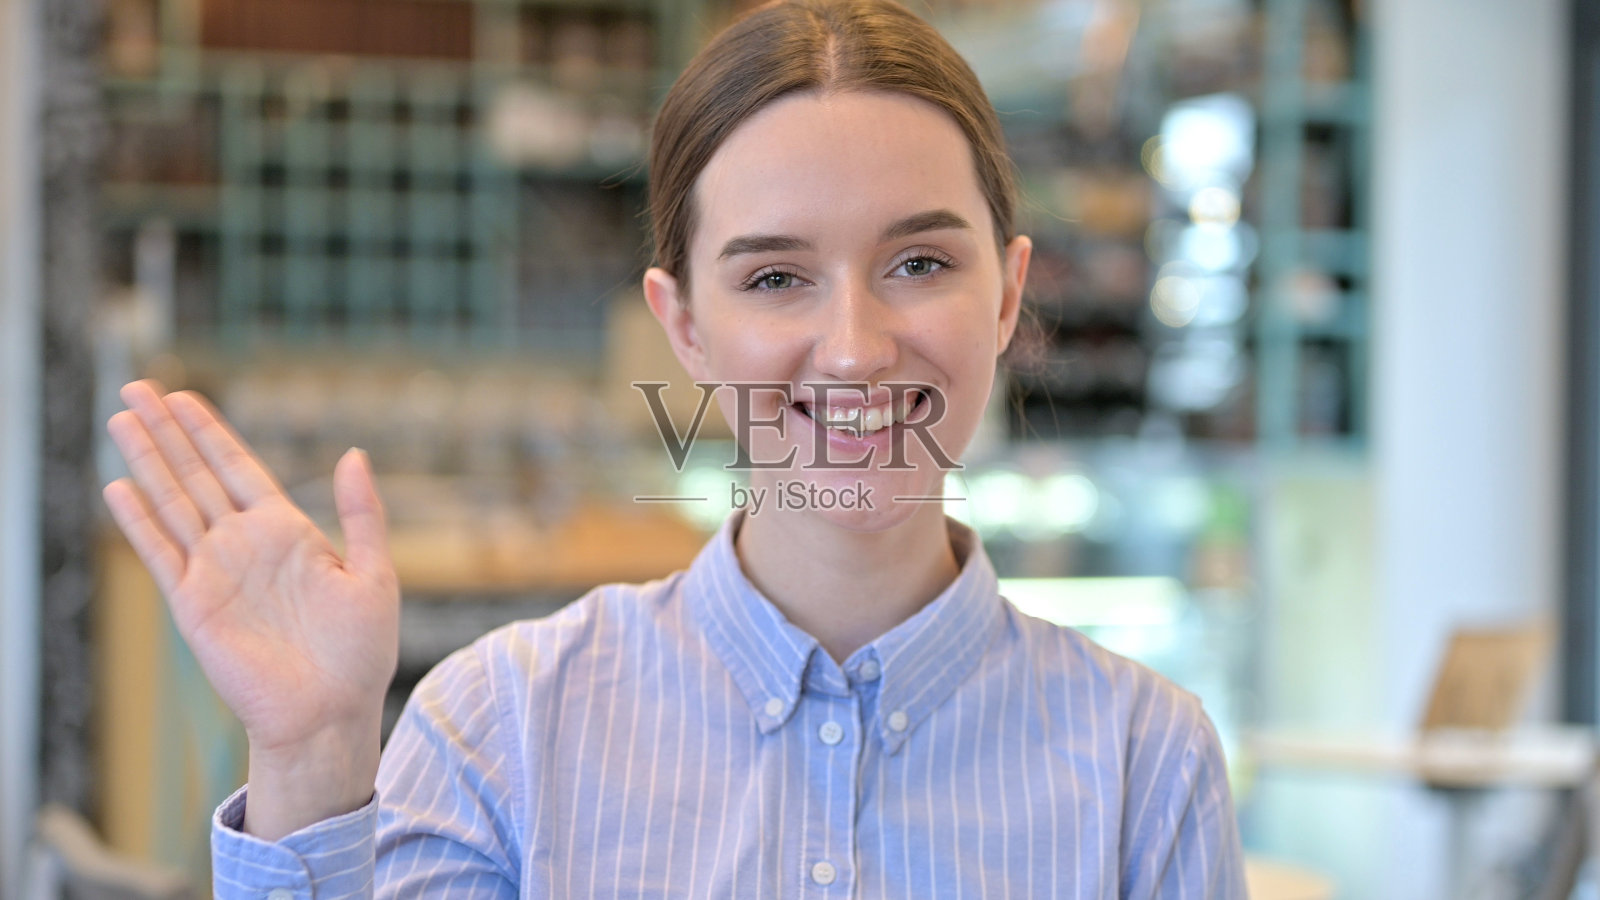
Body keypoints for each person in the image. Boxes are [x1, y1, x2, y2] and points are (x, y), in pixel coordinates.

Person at [102, 0, 1248, 896]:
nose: (852, 350)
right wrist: (311, 755)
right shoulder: (500, 731)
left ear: (1007, 296)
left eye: (919, 263)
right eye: (775, 278)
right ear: (685, 327)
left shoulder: (1145, 762)